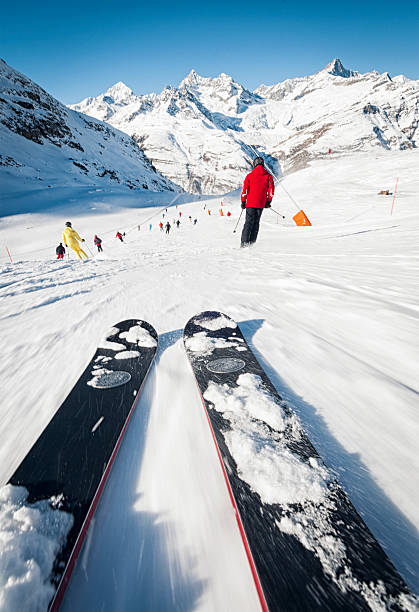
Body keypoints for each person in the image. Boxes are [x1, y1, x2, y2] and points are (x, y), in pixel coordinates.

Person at [240, 157, 274, 247]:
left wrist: (243, 202)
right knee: (256, 222)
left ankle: (244, 243)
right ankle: (252, 243)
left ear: (254, 164)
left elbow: (245, 190)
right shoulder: (268, 176)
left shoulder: (249, 176)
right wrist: (268, 201)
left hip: (250, 203)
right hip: (261, 204)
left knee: (248, 222)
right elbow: (271, 191)